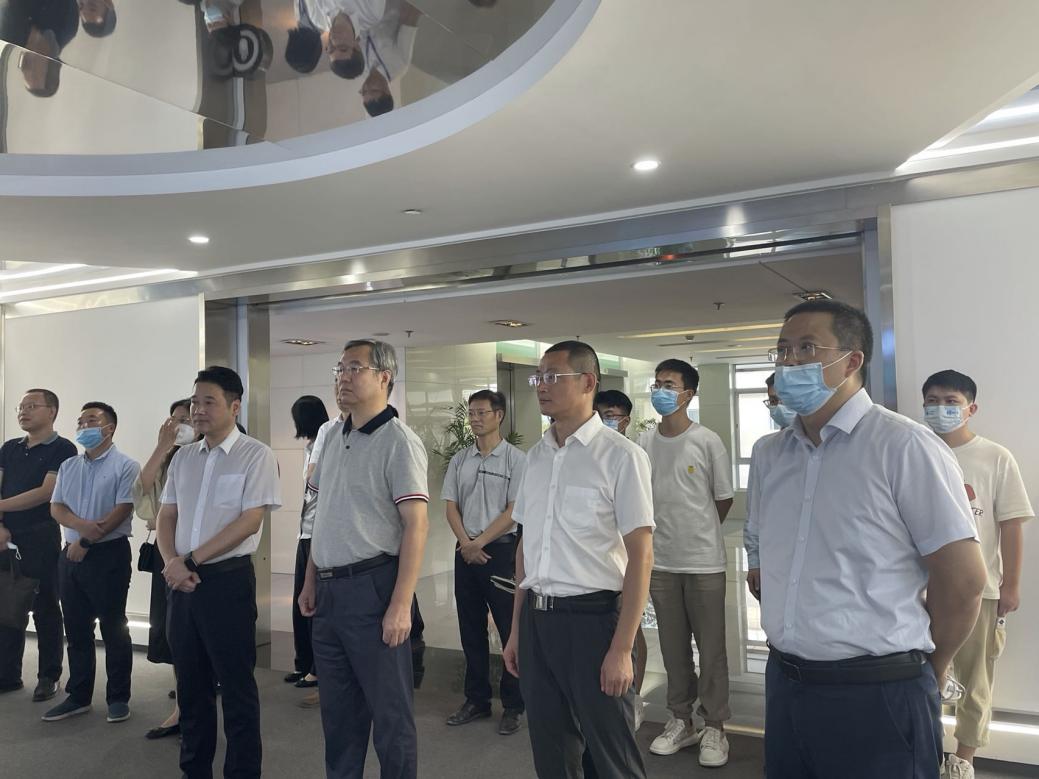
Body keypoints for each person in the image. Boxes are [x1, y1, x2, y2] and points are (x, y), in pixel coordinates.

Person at [749, 300, 986, 778]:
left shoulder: (904, 446)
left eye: (807, 348)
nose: (789, 361)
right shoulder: (770, 453)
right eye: (783, 349)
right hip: (787, 682)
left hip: (879, 690)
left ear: (851, 361)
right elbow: (761, 544)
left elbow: (963, 581)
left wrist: (933, 665)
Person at [503, 340, 654, 779]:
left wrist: (622, 648)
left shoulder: (621, 456)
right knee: (551, 750)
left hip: (594, 621)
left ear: (588, 382)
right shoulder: (536, 457)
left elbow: (641, 555)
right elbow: (526, 548)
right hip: (538, 621)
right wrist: (515, 631)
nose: (541, 385)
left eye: (552, 376)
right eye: (538, 377)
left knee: (612, 754)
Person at [299, 339, 429, 779]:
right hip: (329, 591)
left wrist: (401, 604)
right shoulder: (333, 436)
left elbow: (416, 526)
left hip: (373, 588)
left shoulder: (399, 442)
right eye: (339, 369)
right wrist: (311, 577)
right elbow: (322, 513)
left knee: (390, 714)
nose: (343, 378)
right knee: (338, 715)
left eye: (355, 368)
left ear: (384, 377)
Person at [157, 366, 282, 779]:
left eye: (208, 402)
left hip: (227, 582)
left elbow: (249, 521)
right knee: (190, 688)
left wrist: (190, 561)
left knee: (236, 688)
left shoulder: (256, 455)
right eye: (194, 402)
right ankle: (194, 771)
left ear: (234, 406)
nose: (198, 410)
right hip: (181, 584)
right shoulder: (183, 458)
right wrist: (172, 563)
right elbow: (166, 515)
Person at [921, 370, 1033, 779]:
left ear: (971, 408)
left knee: (976, 679)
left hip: (979, 592)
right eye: (932, 401)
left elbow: (1011, 524)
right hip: (919, 592)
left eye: (951, 402)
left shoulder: (995, 457)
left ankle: (963, 760)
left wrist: (1011, 584)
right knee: (924, 678)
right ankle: (928, 752)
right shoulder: (915, 450)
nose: (941, 409)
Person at [640, 359, 734, 767]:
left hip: (703, 562)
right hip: (661, 562)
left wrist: (698, 530)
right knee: (673, 647)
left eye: (669, 385)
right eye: (657, 383)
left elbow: (723, 499)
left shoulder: (707, 440)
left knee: (711, 649)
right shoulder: (644, 441)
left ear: (688, 394)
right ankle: (681, 719)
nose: (660, 390)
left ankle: (715, 725)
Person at [45, 402, 139, 724]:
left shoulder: (126, 466)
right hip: (70, 554)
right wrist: (82, 529)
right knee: (76, 627)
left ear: (109, 428)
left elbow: (122, 510)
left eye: (92, 421)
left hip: (108, 554)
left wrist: (86, 540)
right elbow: (56, 507)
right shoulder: (69, 465)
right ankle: (79, 696)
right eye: (81, 421)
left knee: (114, 628)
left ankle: (118, 697)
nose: (84, 426)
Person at [443, 389, 525, 735]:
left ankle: (513, 704)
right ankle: (476, 699)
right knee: (470, 627)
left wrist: (480, 542)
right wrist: (466, 543)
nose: (475, 419)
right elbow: (451, 506)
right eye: (472, 413)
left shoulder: (516, 460)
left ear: (498, 415)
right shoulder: (460, 459)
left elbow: (514, 510)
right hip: (465, 552)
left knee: (509, 629)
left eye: (481, 413)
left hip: (500, 552)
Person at [0, 389, 77, 702]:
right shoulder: (9, 447)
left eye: (32, 406)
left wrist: (0, 506)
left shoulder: (63, 448)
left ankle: (48, 676)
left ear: (52, 411)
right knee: (7, 605)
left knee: (45, 606)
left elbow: (47, 492)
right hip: (5, 536)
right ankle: (7, 674)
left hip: (40, 535)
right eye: (21, 406)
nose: (24, 411)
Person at [132, 398, 195, 740]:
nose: (180, 425)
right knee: (172, 629)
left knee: (200, 631)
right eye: (174, 420)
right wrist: (161, 446)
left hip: (200, 552)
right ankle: (183, 708)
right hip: (166, 552)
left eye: (186, 419)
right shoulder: (170, 457)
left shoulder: (208, 455)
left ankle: (197, 703)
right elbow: (141, 491)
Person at [593, 389, 648, 730]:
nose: (604, 421)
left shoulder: (631, 457)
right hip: (604, 568)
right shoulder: (584, 456)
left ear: (625, 420)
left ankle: (633, 695)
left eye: (611, 416)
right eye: (601, 414)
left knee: (632, 631)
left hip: (633, 563)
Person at [286, 396, 329, 696]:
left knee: (313, 602)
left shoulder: (326, 443)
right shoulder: (311, 445)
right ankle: (303, 662)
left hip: (318, 531)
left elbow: (315, 481)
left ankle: (316, 667)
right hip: (305, 531)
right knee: (299, 602)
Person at [745, 372, 794, 602]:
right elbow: (754, 512)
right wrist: (754, 562)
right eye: (773, 401)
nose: (778, 407)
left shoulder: (834, 446)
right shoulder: (765, 449)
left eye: (784, 399)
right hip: (775, 562)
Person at [0, 0, 78, 97]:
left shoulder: (8, 37)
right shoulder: (68, 26)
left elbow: (7, 6)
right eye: (34, 73)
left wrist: (29, 35)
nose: (24, 68)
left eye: (23, 73)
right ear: (50, 62)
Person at [359, 1, 420, 117]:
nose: (367, 86)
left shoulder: (360, 69)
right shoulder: (400, 64)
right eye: (373, 90)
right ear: (387, 91)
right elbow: (410, 21)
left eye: (364, 91)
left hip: (360, 7)